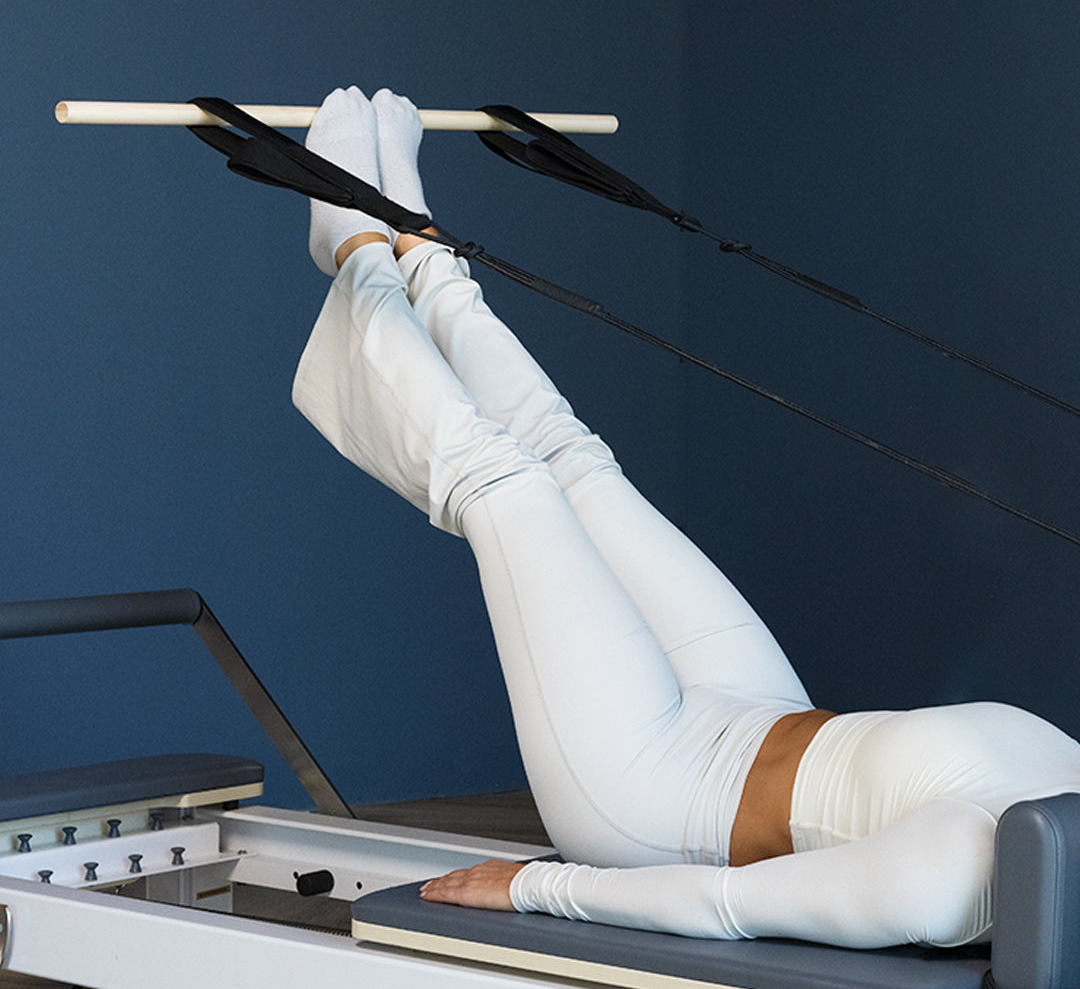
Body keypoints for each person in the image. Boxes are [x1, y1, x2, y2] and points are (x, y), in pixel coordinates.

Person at [292, 86, 1080, 949]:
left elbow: (727, 905)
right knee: (577, 465)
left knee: (507, 485)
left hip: (652, 795)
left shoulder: (960, 882)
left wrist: (538, 885)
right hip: (755, 714)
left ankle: (356, 248)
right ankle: (420, 248)